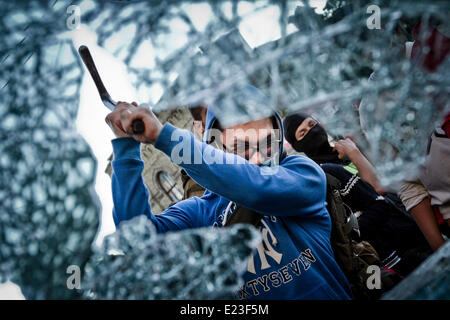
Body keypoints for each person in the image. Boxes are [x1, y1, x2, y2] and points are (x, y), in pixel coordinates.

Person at [105, 85, 352, 300]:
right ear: (217, 148)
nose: (256, 157)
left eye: (266, 143)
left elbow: (256, 187)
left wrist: (164, 137)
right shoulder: (201, 211)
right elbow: (137, 238)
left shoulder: (304, 173)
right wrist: (125, 149)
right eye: (240, 148)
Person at [283, 112, 432, 276]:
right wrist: (355, 153)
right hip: (394, 249)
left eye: (312, 124)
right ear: (297, 146)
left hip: (409, 222)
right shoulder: (322, 174)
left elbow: (388, 179)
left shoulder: (343, 152)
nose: (312, 132)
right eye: (303, 133)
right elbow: (376, 190)